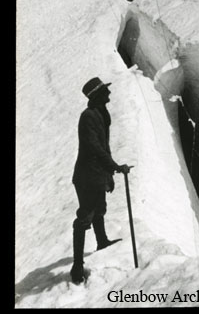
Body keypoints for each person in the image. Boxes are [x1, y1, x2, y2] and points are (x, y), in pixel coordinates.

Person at [70, 77, 130, 284]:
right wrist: (114, 167)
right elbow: (94, 148)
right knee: (85, 216)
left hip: (96, 174)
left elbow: (104, 147)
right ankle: (77, 266)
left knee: (99, 208)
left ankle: (102, 242)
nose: (109, 94)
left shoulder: (101, 114)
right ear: (97, 96)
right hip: (87, 176)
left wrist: (109, 175)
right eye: (105, 91)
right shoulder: (88, 117)